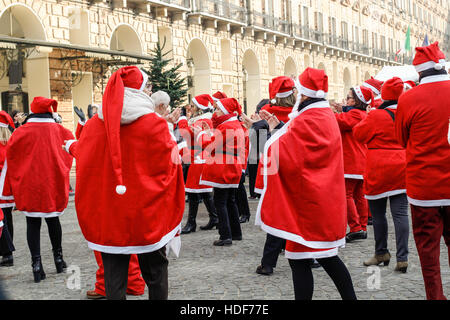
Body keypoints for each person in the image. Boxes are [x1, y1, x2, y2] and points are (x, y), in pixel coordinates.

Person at [64, 66, 185, 300]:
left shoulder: (92, 126)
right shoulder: (154, 123)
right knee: (156, 273)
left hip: (110, 214)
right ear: (139, 90)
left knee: (114, 279)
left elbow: (87, 165)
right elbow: (171, 166)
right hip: (146, 213)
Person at [256, 67, 356, 300]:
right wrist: (279, 128)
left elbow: (290, 152)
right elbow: (301, 148)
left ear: (305, 93)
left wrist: (275, 134)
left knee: (312, 259)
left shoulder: (309, 118)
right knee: (316, 258)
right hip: (318, 200)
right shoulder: (322, 114)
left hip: (310, 204)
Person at [73, 105, 147, 300]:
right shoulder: (137, 121)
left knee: (106, 242)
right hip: (126, 188)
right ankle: (133, 281)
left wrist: (72, 142)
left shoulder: (99, 125)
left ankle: (106, 285)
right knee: (125, 237)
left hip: (104, 188)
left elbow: (83, 150)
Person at [395, 42, 450, 300]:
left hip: (424, 188)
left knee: (429, 257)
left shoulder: (407, 98)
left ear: (419, 72)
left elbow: (402, 140)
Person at [0, 97, 74, 283]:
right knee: (52, 220)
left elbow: (11, 156)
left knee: (32, 223)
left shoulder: (21, 131)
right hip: (52, 184)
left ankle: (36, 265)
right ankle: (58, 258)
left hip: (30, 185)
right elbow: (71, 148)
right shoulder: (60, 130)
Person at [353, 77, 409, 273]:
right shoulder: (406, 113)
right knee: (400, 214)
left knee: (378, 214)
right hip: (401, 163)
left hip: (378, 165)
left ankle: (381, 252)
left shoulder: (376, 115)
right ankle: (402, 258)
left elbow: (358, 134)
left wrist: (370, 117)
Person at [245, 77, 297, 275]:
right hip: (295, 167)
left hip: (274, 167)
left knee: (278, 213)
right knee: (297, 211)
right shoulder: (297, 113)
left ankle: (268, 263)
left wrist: (254, 126)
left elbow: (259, 146)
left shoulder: (269, 114)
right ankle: (309, 255)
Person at [198, 98, 245, 246]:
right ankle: (236, 232)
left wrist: (201, 135)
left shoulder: (226, 126)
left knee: (220, 201)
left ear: (225, 110)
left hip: (224, 166)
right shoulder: (235, 124)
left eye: (218, 109)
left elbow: (211, 145)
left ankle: (225, 235)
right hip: (233, 165)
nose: (215, 112)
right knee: (230, 201)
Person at [334, 86, 372, 242]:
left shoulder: (355, 114)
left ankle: (356, 227)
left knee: (347, 194)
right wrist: (343, 108)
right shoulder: (360, 113)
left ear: (356, 101)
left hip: (352, 161)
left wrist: (325, 110)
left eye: (349, 97)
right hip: (360, 160)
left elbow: (338, 121)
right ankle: (361, 227)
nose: (346, 99)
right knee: (359, 196)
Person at [177, 94, 218, 234]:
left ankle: (192, 223)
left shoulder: (204, 120)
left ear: (200, 108)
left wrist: (182, 119)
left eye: (193, 106)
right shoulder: (200, 119)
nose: (191, 108)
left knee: (194, 190)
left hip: (199, 157)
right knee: (202, 191)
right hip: (197, 157)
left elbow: (187, 135)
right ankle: (214, 217)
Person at [0, 112, 15, 267]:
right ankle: (8, 252)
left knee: (1, 220)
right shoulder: (10, 143)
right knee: (7, 219)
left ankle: (7, 253)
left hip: (0, 186)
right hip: (8, 188)